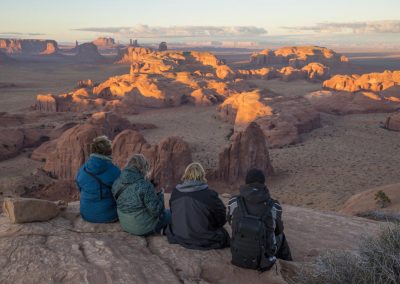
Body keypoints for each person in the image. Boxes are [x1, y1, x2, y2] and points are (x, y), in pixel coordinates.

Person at [227, 168, 292, 271]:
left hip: (238, 251)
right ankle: (288, 266)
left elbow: (230, 222)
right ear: (263, 183)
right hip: (263, 256)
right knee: (281, 236)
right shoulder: (274, 206)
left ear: (246, 182)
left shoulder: (233, 201)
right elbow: (278, 230)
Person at [166, 162, 230, 250]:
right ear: (202, 175)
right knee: (223, 235)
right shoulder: (209, 195)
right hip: (203, 238)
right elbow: (221, 218)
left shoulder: (175, 193)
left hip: (180, 235)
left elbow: (173, 212)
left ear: (186, 175)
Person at [111, 154, 170, 235]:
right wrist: (161, 195)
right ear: (143, 167)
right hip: (141, 228)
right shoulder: (145, 185)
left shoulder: (117, 181)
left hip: (125, 224)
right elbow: (157, 211)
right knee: (170, 214)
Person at [76, 136, 120, 223]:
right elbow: (121, 194)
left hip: (86, 214)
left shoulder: (82, 169)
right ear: (108, 151)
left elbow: (80, 189)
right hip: (109, 215)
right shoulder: (115, 171)